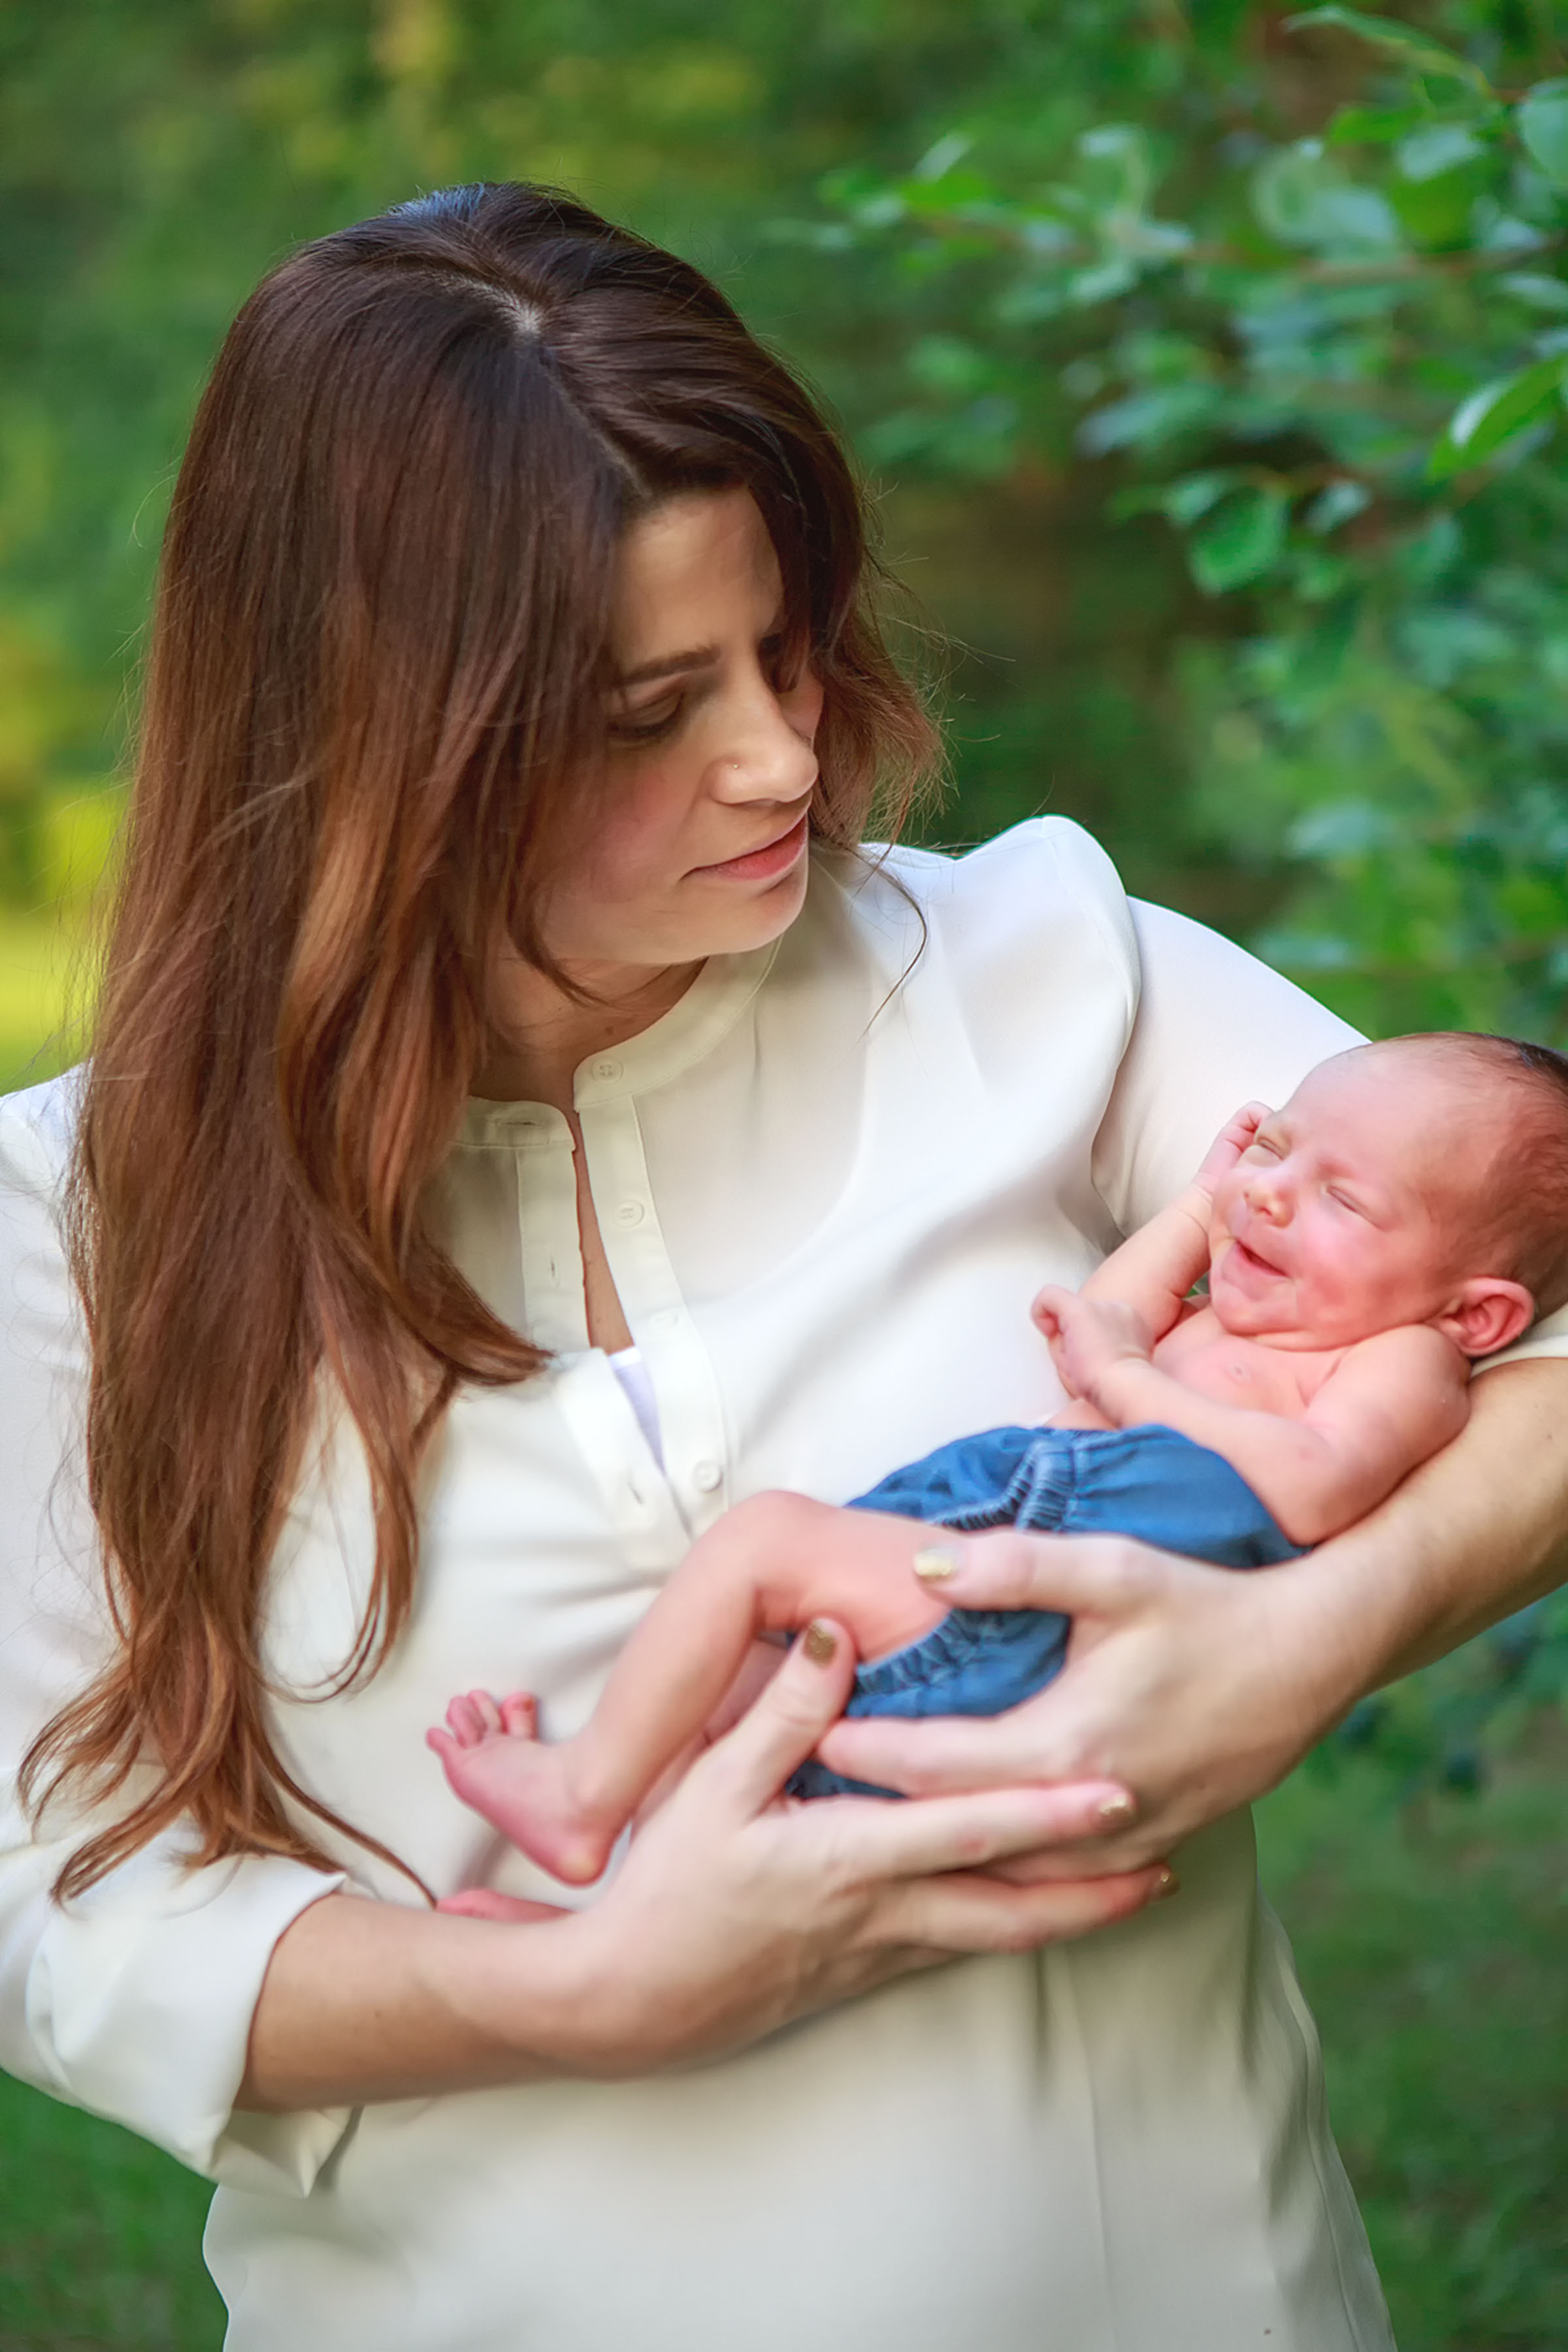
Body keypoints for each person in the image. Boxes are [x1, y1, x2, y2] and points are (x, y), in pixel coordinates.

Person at [1, 182, 1567, 2352]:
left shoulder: (1042, 972)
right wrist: (581, 1990)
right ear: (383, 750)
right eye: (649, 710)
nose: (781, 752)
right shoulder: (67, 1229)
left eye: (785, 641)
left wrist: (1317, 1634)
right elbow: (57, 1909)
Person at [427, 1033, 1564, 1868]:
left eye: (1341, 1199)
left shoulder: (1404, 1359)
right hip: (997, 1534)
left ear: (1477, 1318)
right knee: (736, 1674)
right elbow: (1097, 1321)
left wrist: (1126, 1379)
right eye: (1275, 1146)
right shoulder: (1251, 1305)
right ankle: (642, 1903)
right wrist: (1198, 1212)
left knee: (762, 1544)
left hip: (1046, 1587)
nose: (1269, 1196)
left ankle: (584, 1797)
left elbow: (1314, 1488)